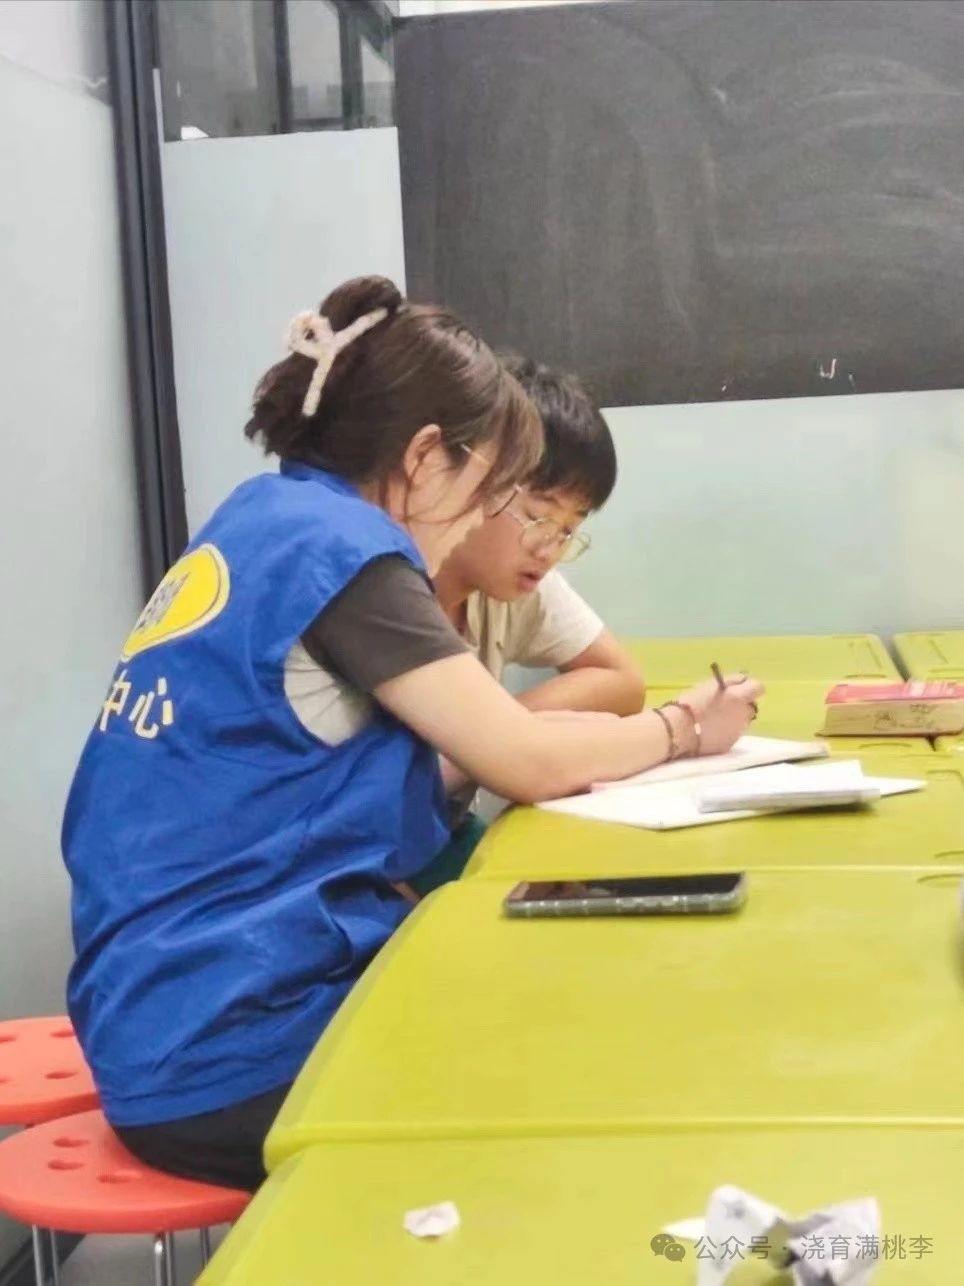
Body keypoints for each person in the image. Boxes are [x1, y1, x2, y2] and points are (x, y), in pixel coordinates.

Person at [63, 276, 763, 1193]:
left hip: (164, 1013)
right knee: (590, 1057)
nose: (478, 521)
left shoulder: (263, 520)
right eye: (488, 492)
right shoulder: (348, 556)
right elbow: (528, 762)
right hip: (233, 1045)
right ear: (428, 457)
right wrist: (683, 728)